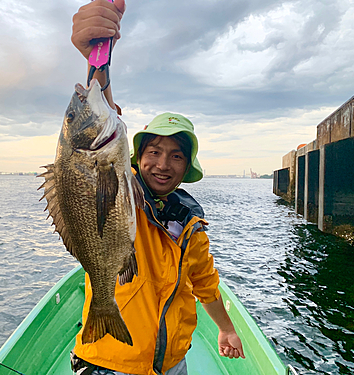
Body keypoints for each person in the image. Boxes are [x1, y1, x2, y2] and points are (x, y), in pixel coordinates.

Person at [70, 1, 245, 374]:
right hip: (108, 362)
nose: (163, 164)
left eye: (176, 156)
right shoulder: (122, 187)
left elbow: (205, 282)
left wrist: (226, 328)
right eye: (153, 151)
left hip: (171, 363)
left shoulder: (191, 223)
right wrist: (98, 58)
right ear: (135, 156)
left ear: (187, 167)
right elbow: (98, 117)